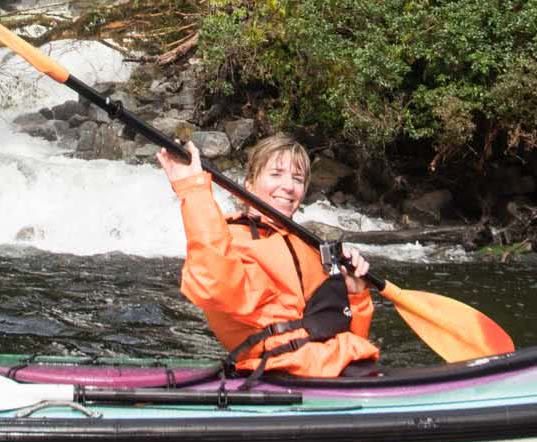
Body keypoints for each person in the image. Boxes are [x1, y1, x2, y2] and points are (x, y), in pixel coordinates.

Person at [158, 132, 379, 378]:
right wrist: (193, 190)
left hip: (336, 365)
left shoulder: (310, 248)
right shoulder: (228, 240)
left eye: (298, 179)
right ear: (249, 183)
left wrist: (356, 295)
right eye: (276, 174)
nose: (289, 186)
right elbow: (212, 284)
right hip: (284, 371)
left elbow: (348, 337)